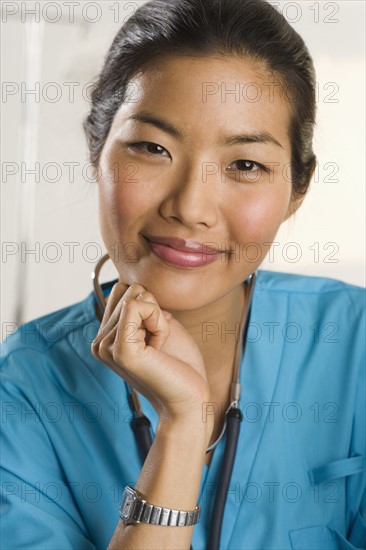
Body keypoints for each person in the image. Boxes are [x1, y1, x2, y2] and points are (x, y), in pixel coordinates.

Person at [1, 0, 365, 548]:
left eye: (245, 165)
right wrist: (183, 426)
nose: (191, 207)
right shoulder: (21, 391)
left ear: (297, 189)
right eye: (152, 148)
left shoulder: (355, 343)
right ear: (97, 151)